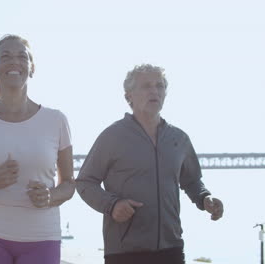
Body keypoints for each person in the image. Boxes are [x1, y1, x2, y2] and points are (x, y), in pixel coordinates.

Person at [76, 64, 224, 264]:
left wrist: (206, 198)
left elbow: (192, 181)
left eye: (160, 86)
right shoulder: (112, 136)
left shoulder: (179, 139)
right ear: (128, 96)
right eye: (146, 86)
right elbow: (85, 182)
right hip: (124, 252)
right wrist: (112, 205)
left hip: (172, 249)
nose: (154, 91)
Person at [0, 34, 75, 264]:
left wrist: (50, 196)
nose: (14, 62)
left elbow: (68, 184)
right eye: (5, 56)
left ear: (32, 67)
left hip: (42, 237)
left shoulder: (56, 120)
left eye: (22, 56)